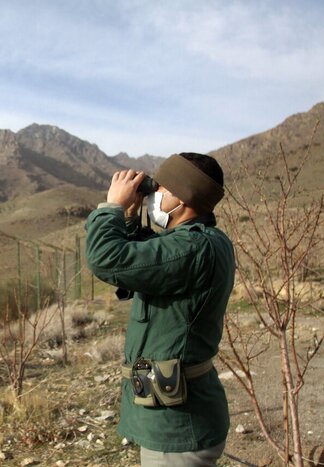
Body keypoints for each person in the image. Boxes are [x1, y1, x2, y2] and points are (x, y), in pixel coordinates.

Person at [84, 153, 235, 467]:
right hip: (173, 415)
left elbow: (106, 257)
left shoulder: (193, 248)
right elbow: (146, 258)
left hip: (179, 423)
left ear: (180, 198)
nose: (153, 197)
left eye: (159, 189)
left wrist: (111, 207)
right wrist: (129, 217)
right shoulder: (198, 244)